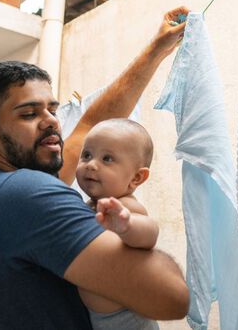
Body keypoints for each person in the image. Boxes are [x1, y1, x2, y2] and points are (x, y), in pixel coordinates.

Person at [0, 6, 190, 329]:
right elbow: (172, 298)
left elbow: (88, 126)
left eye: (52, 109)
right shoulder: (27, 193)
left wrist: (156, 50)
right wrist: (146, 243)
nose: (51, 122)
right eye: (29, 114)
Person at [76, 119, 161, 330]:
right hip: (99, 319)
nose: (91, 164)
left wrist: (127, 226)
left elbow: (150, 232)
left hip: (129, 319)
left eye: (107, 159)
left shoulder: (127, 208)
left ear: (136, 178)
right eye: (86, 155)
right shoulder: (87, 206)